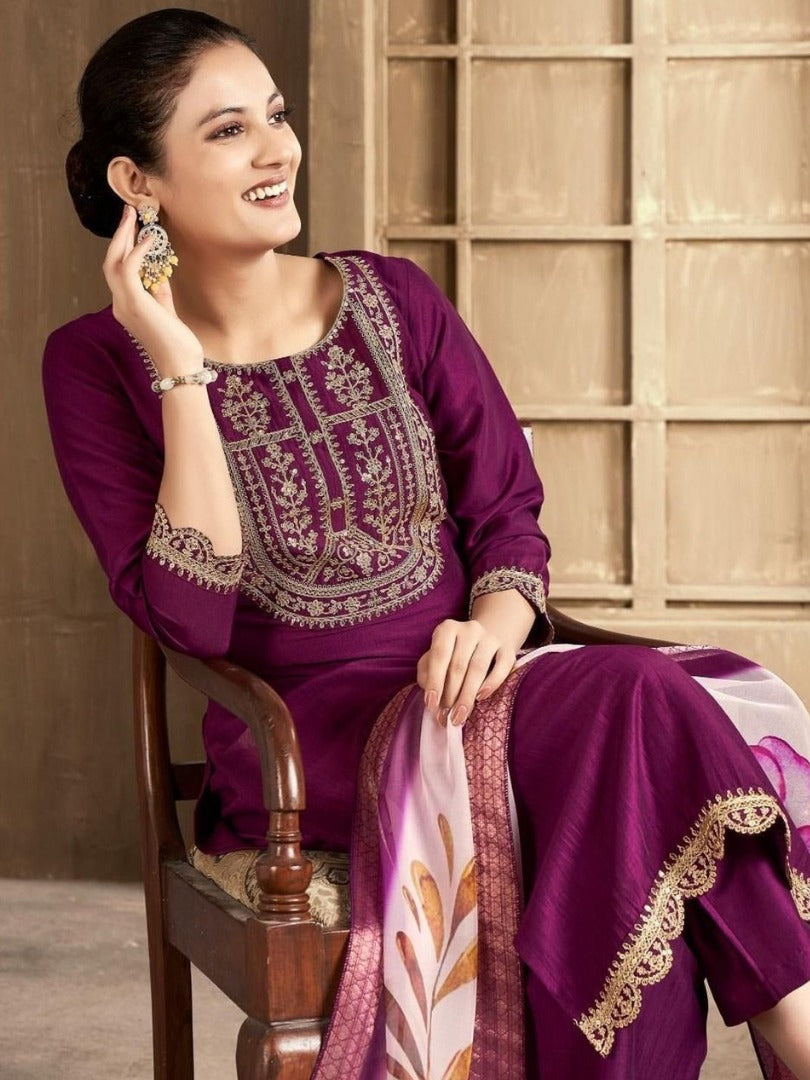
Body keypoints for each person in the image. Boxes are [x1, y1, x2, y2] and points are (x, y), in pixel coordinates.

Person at [42, 9, 810, 1078]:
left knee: (642, 715)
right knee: (641, 709)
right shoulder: (94, 363)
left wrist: (494, 623)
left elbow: (506, 510)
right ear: (138, 182)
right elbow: (192, 619)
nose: (276, 150)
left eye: (276, 116)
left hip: (486, 687)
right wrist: (175, 362)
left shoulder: (393, 297)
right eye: (227, 132)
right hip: (310, 754)